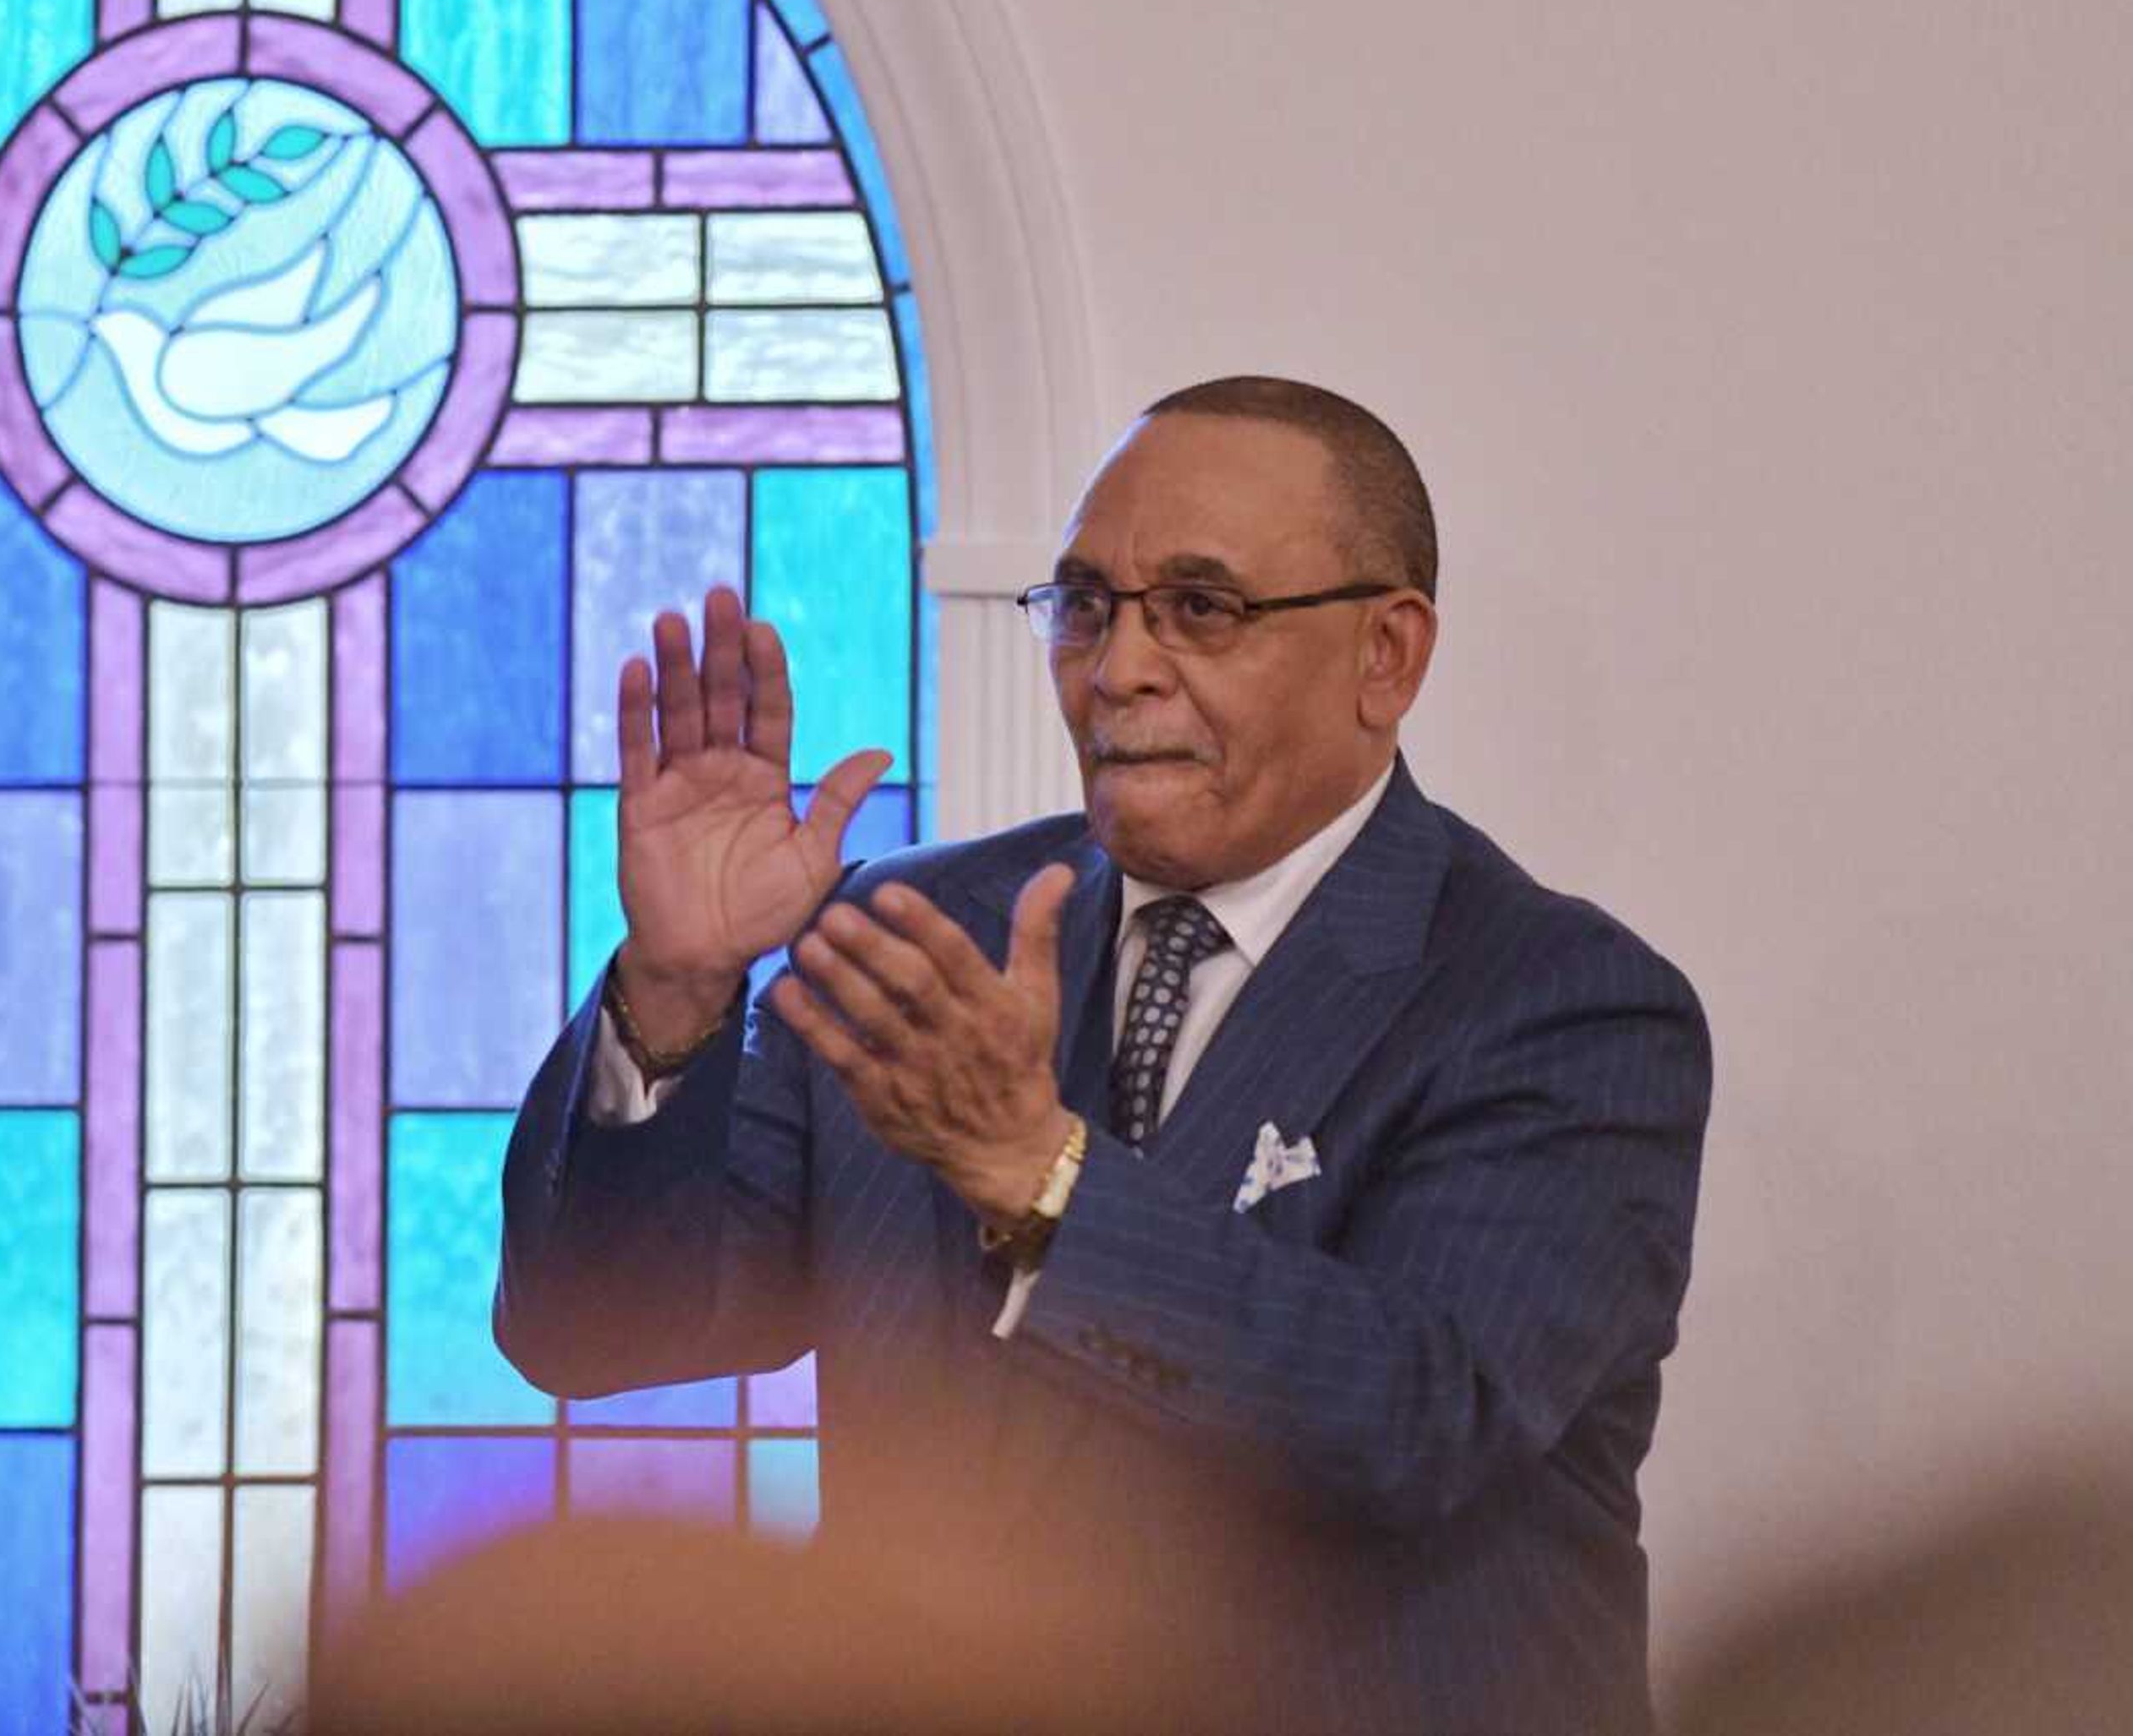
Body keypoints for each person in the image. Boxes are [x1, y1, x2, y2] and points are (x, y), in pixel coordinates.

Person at [495, 377, 1712, 1734]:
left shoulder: (1561, 1005)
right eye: (1084, 605)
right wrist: (677, 985)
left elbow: (1413, 1421)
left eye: (1202, 607)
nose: (1119, 665)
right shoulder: (913, 938)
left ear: (1389, 654)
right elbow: (595, 1331)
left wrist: (1038, 1176)